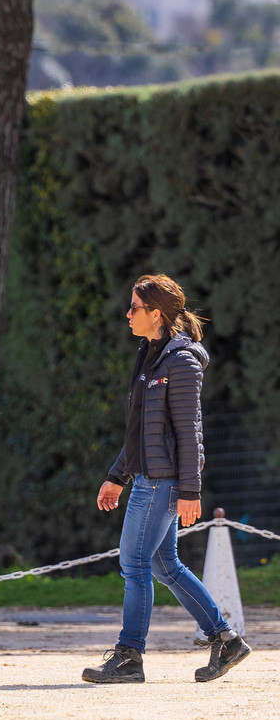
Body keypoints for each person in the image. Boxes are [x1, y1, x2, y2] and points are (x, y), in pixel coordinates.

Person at [84, 274, 252, 684]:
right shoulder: (150, 353)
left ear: (155, 313)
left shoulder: (181, 360)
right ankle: (226, 639)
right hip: (146, 477)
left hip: (163, 481)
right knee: (163, 565)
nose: (127, 314)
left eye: (134, 308)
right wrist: (116, 476)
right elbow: (142, 430)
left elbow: (190, 429)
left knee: (134, 562)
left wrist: (190, 490)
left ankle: (129, 657)